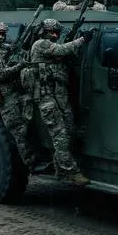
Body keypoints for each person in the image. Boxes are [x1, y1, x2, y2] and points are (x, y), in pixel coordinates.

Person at [24, 17, 94, 185]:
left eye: (56, 32)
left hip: (60, 97)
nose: (54, 35)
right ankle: (70, 172)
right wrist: (82, 39)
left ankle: (59, 166)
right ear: (43, 32)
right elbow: (62, 49)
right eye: (51, 32)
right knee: (60, 135)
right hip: (46, 98)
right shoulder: (40, 44)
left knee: (70, 133)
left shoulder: (51, 47)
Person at [0, 21, 35, 169]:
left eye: (2, 35)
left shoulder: (4, 49)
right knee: (18, 130)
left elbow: (16, 50)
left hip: (14, 93)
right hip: (5, 97)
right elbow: (0, 75)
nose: (0, 38)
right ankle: (31, 163)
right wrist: (19, 66)